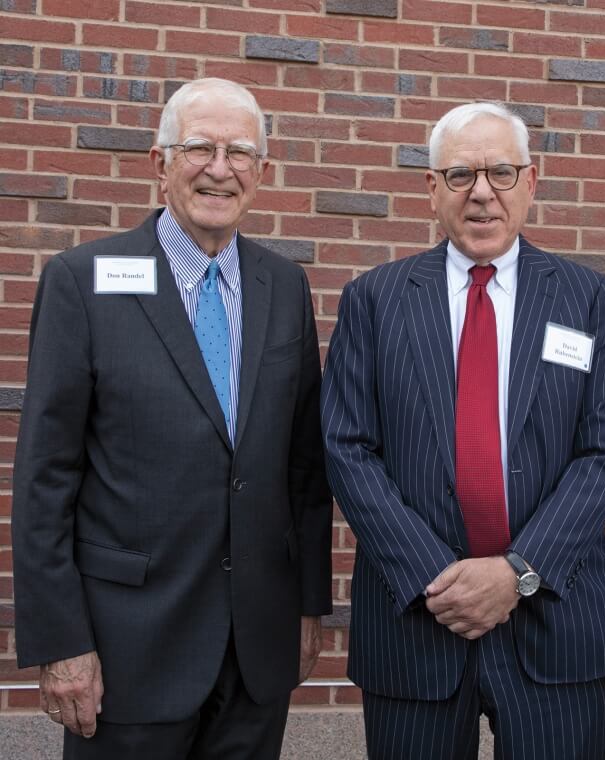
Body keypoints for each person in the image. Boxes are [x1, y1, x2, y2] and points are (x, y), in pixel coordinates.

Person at [12, 77, 333, 759]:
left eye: (240, 153)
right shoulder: (83, 281)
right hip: (129, 650)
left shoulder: (284, 286)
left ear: (262, 172)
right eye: (200, 148)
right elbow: (45, 477)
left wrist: (307, 604)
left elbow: (304, 467)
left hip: (255, 652)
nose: (220, 169)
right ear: (160, 164)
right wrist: (61, 640)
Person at [321, 102, 605, 759]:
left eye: (501, 171)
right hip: (418, 621)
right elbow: (348, 447)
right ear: (431, 189)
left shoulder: (584, 298)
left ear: (532, 180)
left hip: (557, 618)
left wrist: (518, 573)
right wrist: (439, 577)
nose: (483, 192)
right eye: (461, 174)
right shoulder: (375, 300)